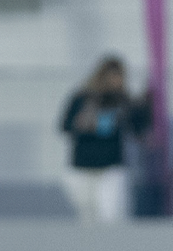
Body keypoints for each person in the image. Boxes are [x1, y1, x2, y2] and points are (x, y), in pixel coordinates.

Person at [60, 55, 140, 224]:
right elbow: (65, 126)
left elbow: (137, 128)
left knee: (111, 215)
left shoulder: (123, 101)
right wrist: (83, 123)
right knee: (88, 216)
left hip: (110, 166)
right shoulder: (82, 99)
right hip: (84, 165)